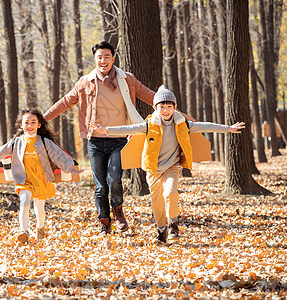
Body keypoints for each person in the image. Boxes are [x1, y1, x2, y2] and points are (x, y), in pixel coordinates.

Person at [91, 85, 245, 244]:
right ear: (155, 108)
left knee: (170, 193)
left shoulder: (182, 123)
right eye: (162, 107)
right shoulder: (149, 124)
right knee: (157, 203)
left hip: (171, 167)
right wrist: (106, 131)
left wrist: (228, 128)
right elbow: (130, 128)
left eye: (169, 106)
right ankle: (161, 229)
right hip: (153, 170)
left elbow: (205, 125)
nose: (165, 110)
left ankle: (173, 225)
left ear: (175, 107)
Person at [44, 41, 155, 236]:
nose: (103, 60)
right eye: (99, 57)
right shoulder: (85, 82)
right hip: (94, 141)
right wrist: (41, 119)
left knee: (114, 179)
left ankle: (118, 211)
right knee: (100, 186)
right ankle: (104, 222)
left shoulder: (127, 79)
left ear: (113, 58)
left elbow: (151, 96)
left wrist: (176, 111)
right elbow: (65, 102)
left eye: (106, 57)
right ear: (95, 59)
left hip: (119, 138)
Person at [0, 108, 84, 243]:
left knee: (39, 208)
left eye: (33, 122)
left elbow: (58, 154)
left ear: (39, 125)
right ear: (21, 125)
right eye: (26, 123)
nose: (29, 126)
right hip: (24, 179)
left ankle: (40, 228)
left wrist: (71, 168)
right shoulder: (16, 142)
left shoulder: (44, 142)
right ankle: (23, 231)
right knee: (24, 201)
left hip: (41, 179)